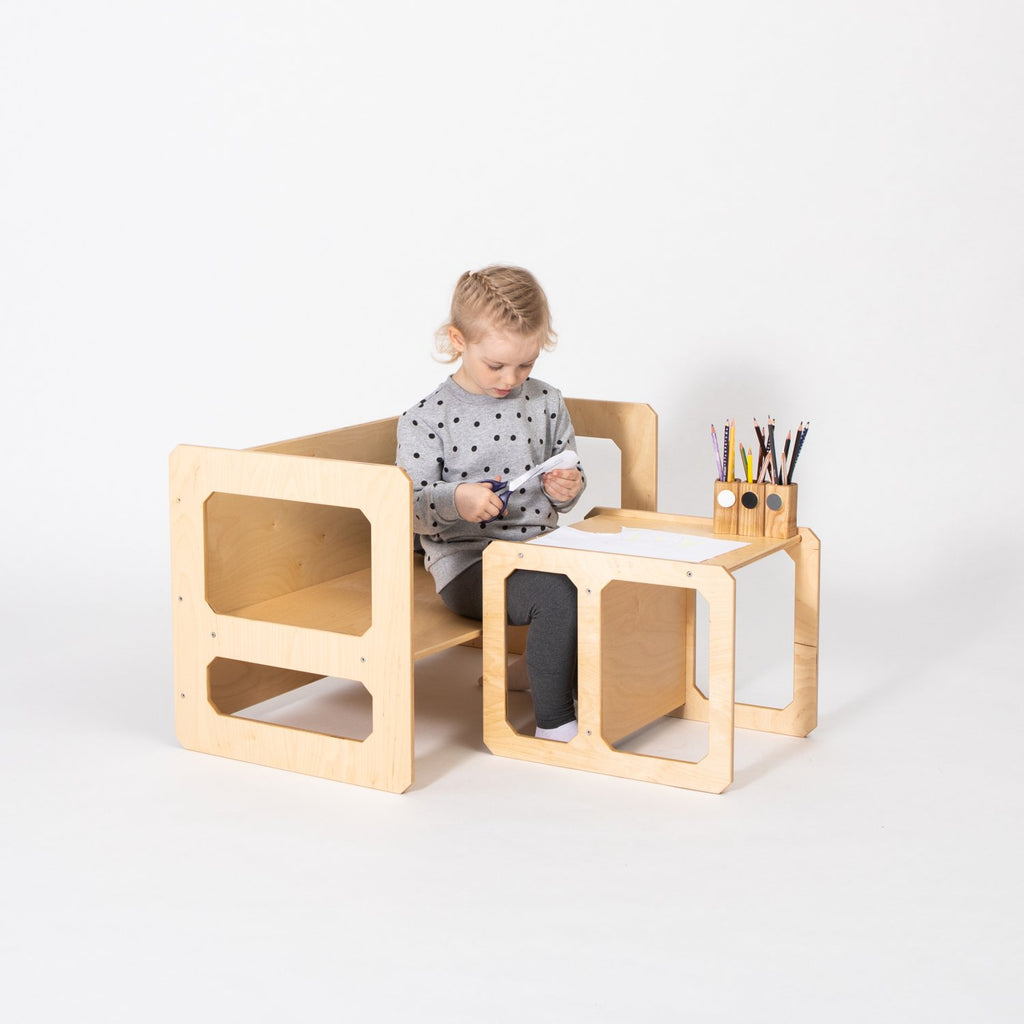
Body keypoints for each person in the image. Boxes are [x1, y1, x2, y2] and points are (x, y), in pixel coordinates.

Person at [397, 266, 584, 741]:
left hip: (541, 550)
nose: (510, 378)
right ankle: (556, 725)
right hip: (468, 566)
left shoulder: (546, 401)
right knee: (555, 595)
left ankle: (534, 672)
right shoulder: (426, 419)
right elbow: (408, 508)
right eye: (496, 365)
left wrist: (567, 488)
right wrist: (457, 500)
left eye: (526, 365)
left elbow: (563, 473)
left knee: (607, 580)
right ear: (458, 341)